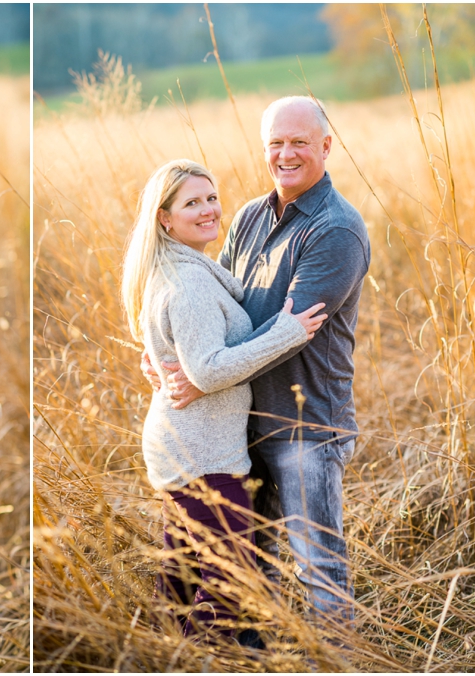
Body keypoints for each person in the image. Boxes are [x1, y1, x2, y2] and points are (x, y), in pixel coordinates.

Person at [144, 96, 371, 627]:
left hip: (305, 427)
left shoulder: (335, 230)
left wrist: (203, 378)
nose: (285, 154)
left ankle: (333, 661)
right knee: (249, 572)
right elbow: (217, 310)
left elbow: (292, 329)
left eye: (299, 142)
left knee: (318, 569)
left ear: (326, 147)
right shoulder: (247, 217)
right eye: (275, 143)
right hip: (240, 429)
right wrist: (162, 354)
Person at [121, 158, 327, 640]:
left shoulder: (183, 265)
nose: (209, 209)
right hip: (200, 452)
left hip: (184, 442)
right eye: (192, 202)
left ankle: (159, 654)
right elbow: (208, 369)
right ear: (164, 218)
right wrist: (287, 333)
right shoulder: (189, 281)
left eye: (211, 197)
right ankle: (199, 659)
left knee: (182, 573)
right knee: (233, 580)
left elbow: (188, 353)